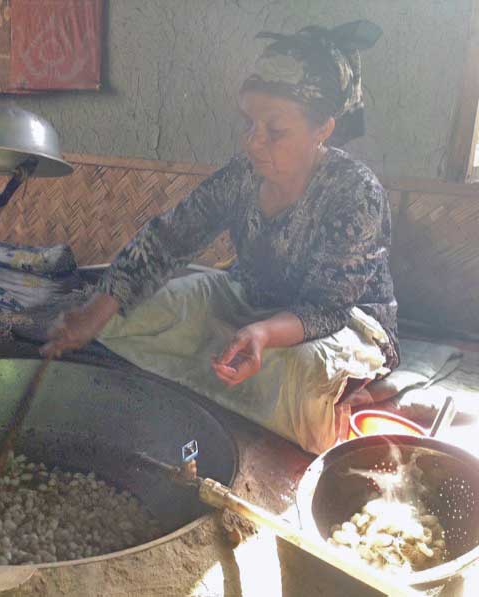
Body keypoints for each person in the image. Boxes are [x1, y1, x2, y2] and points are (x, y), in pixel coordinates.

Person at [42, 21, 398, 453]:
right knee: (128, 315)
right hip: (247, 295)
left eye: (274, 130)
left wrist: (263, 334)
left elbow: (327, 309)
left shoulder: (355, 192)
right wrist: (93, 313)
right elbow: (168, 239)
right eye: (249, 124)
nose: (254, 142)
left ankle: (344, 393)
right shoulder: (242, 176)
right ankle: (238, 386)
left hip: (341, 323)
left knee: (298, 378)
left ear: (322, 127)